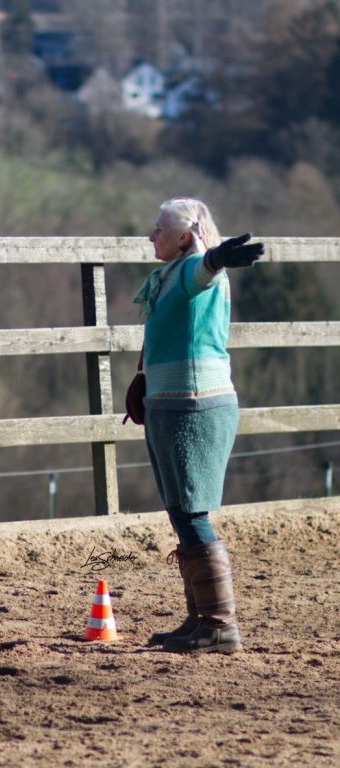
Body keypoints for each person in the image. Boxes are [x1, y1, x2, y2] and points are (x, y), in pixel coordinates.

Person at [133, 197, 264, 653]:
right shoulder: (169, 276)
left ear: (185, 237)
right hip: (171, 404)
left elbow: (203, 270)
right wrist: (142, 376)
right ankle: (199, 620)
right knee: (180, 512)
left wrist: (215, 256)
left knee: (191, 512)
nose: (152, 236)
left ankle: (219, 625)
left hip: (194, 406)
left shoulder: (192, 273)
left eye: (159, 230)